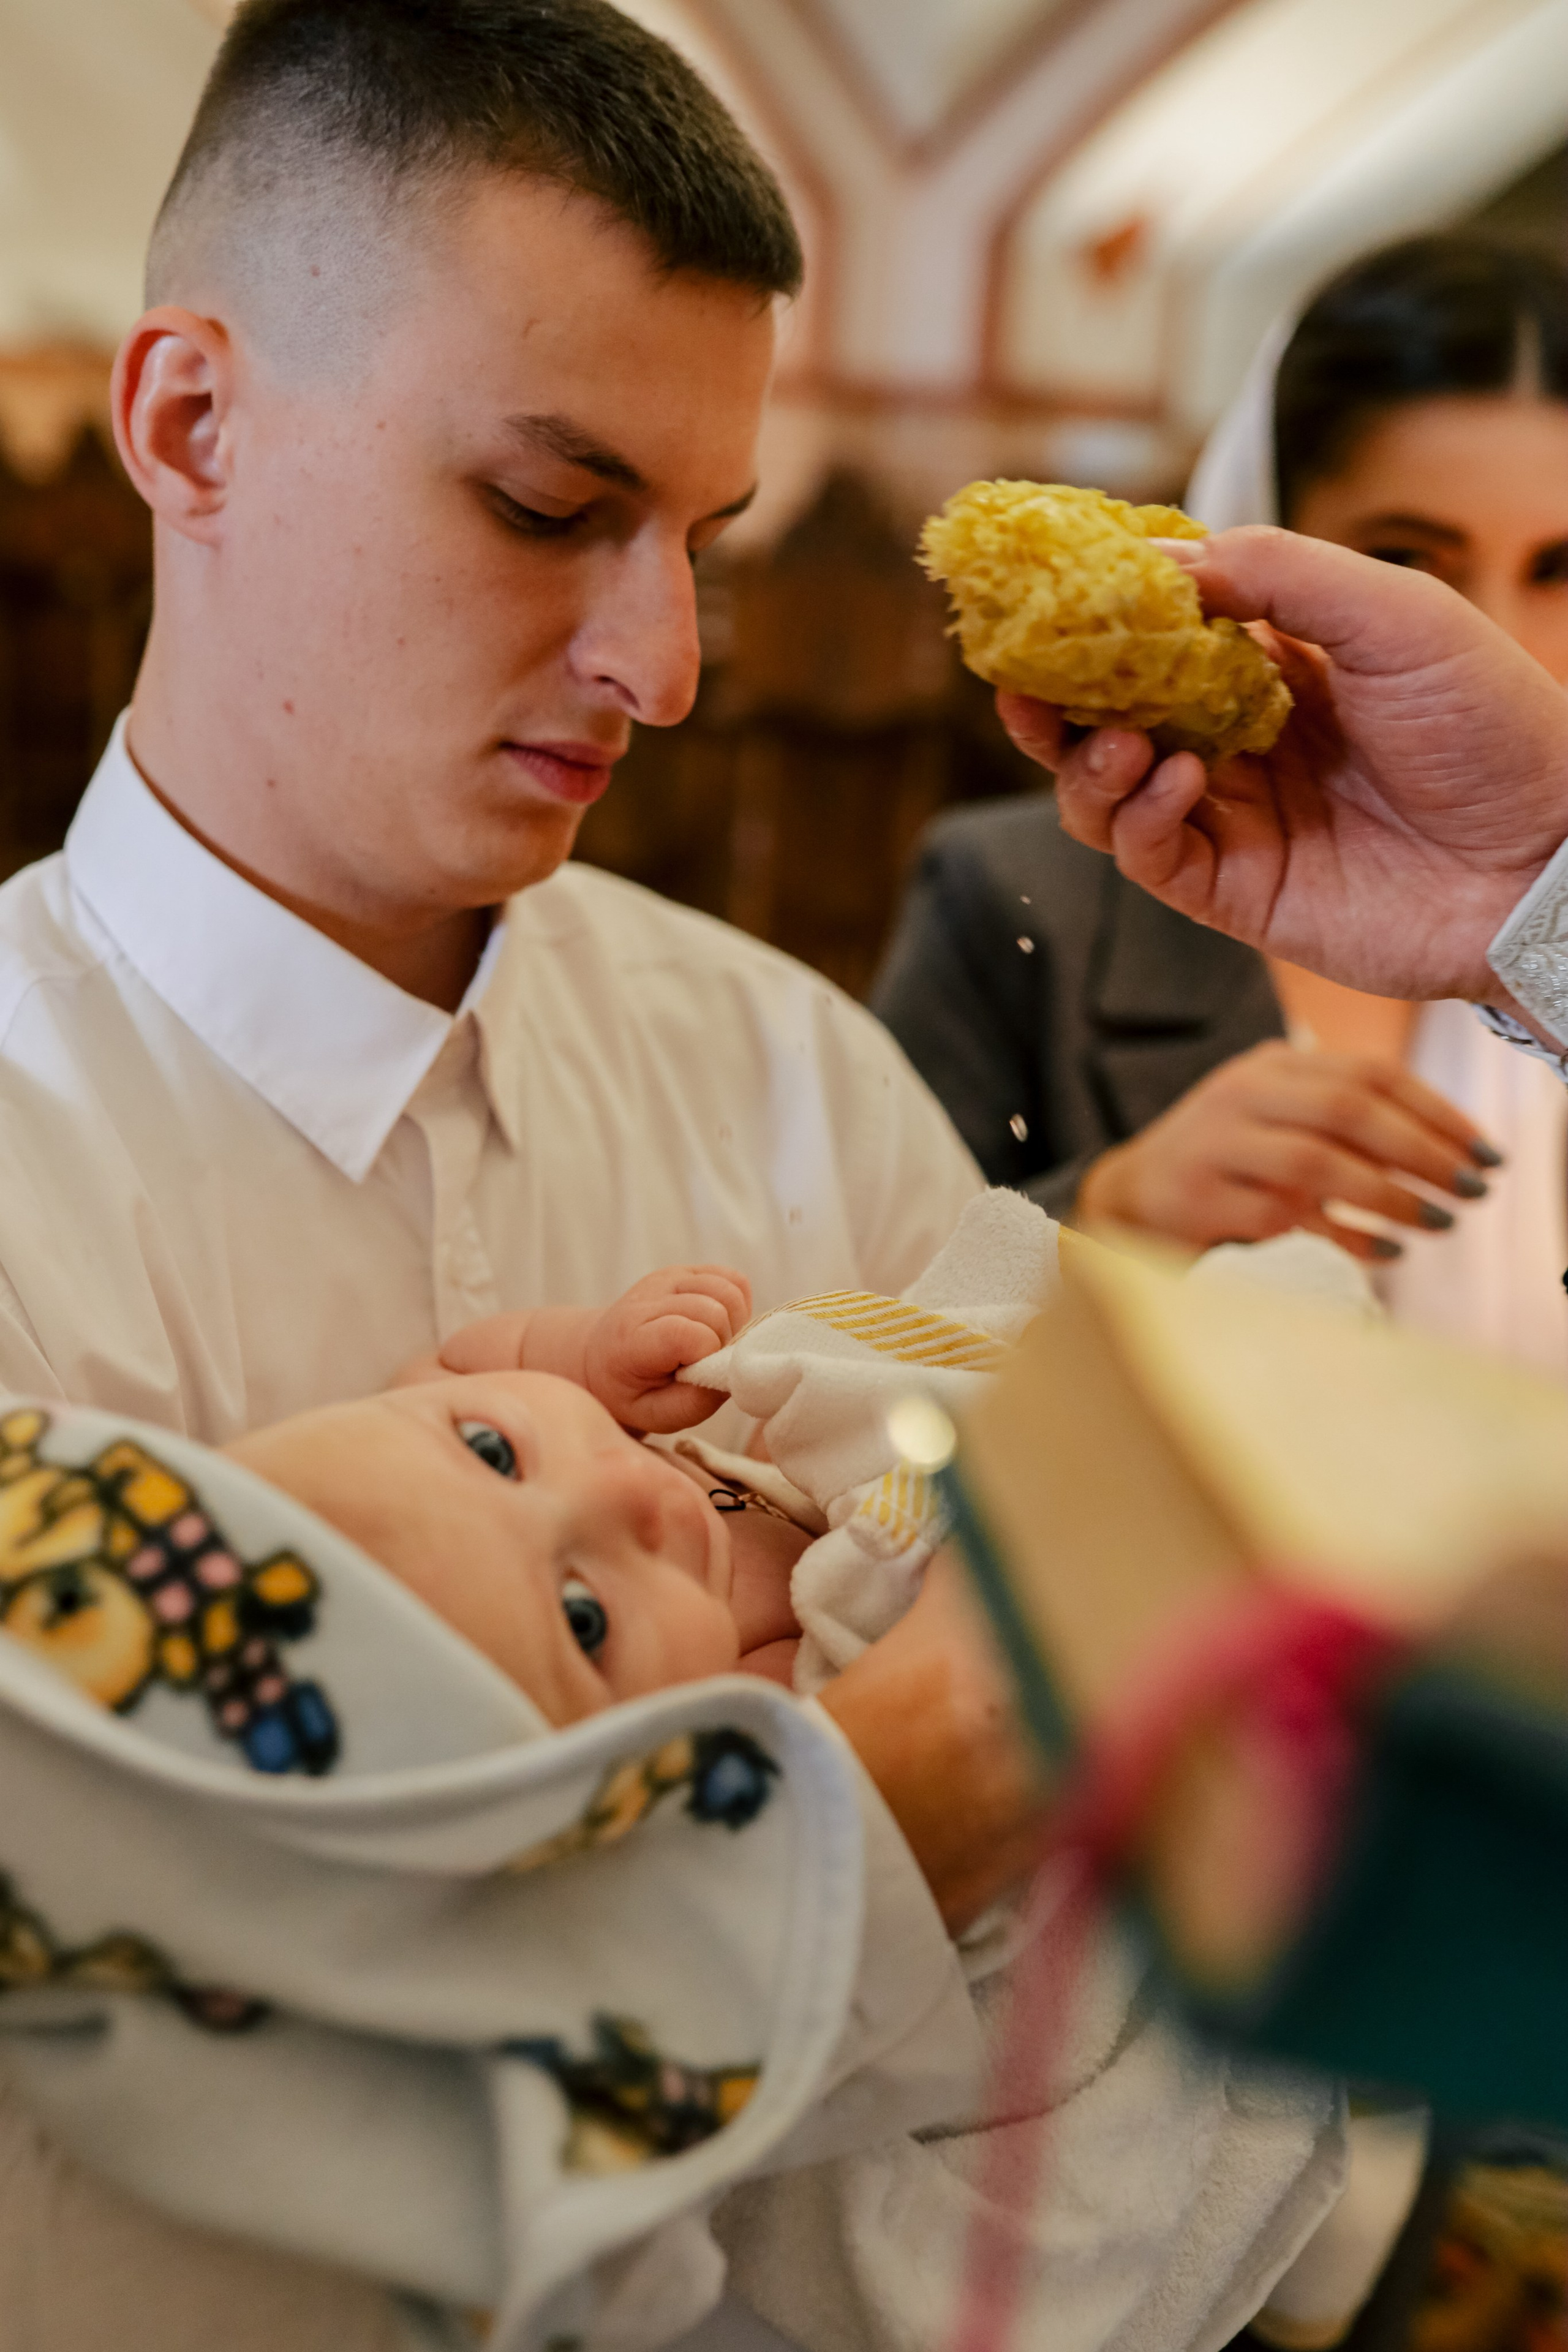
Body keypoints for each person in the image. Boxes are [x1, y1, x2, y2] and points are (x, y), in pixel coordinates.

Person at [0, 3, 1058, 2343]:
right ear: (189, 422)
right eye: (552, 508)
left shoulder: (794, 1076)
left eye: (701, 539)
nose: (665, 665)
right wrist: (904, 1796)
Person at [874, 236, 1568, 1376]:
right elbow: (838, 1323)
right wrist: (1110, 1212)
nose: (1501, 644)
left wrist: (1535, 902)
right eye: (1410, 561)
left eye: (1560, 567)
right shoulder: (1013, 900)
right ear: (1269, 541)